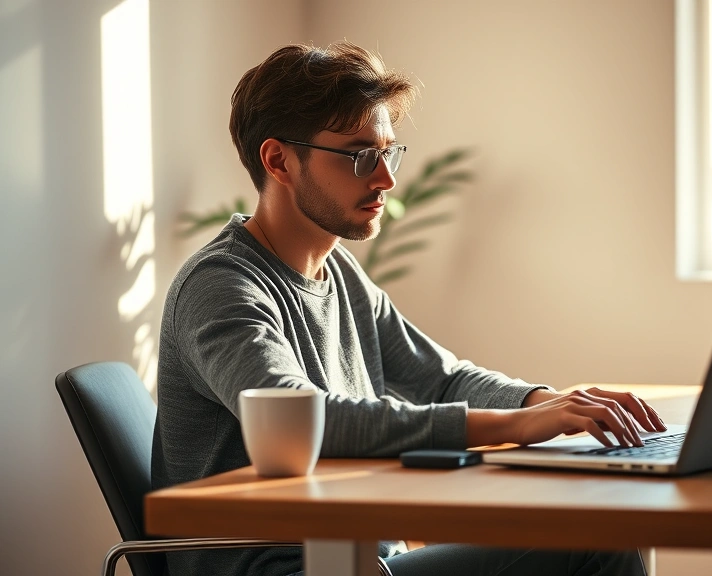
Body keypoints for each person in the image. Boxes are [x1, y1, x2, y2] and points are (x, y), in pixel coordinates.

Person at [152, 41, 667, 576]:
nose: (386, 179)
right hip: (285, 569)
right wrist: (510, 423)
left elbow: (440, 380)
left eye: (388, 152)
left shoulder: (339, 271)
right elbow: (300, 420)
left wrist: (548, 403)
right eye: (360, 156)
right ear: (279, 160)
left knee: (601, 530)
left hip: (362, 558)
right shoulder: (221, 286)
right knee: (597, 541)